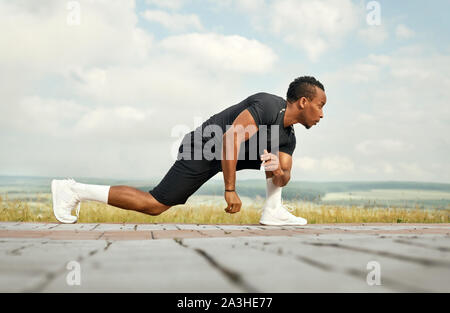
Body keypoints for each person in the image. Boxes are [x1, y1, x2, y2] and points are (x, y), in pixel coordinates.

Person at [51, 76, 326, 225]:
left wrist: (276, 171)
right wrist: (230, 189)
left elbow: (283, 178)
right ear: (303, 101)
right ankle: (73, 190)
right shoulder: (268, 105)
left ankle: (272, 211)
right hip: (205, 147)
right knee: (155, 205)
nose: (322, 114)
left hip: (232, 153)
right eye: (320, 105)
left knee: (282, 164)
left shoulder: (288, 138)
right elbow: (230, 140)